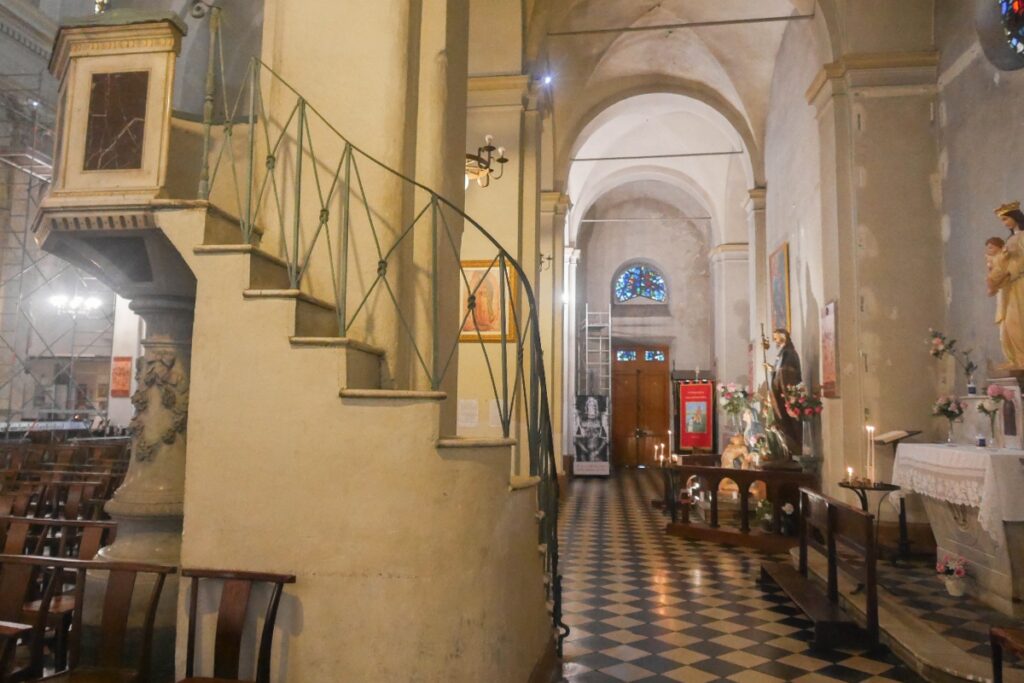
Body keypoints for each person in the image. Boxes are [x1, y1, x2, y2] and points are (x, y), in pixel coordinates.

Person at [992, 203, 1024, 368]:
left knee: (1016, 321)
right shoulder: (1011, 239)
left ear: (1015, 217)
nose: (1004, 223)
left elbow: (1020, 262)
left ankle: (1021, 358)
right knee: (1006, 324)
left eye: (1006, 219)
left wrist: (1009, 271)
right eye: (1002, 221)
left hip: (1019, 284)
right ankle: (1014, 359)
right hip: (1008, 286)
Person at [765, 328, 802, 456]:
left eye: (776, 337)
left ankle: (792, 451)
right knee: (781, 422)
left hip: (786, 394)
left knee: (788, 423)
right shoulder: (782, 352)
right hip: (780, 392)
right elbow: (780, 370)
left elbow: (788, 371)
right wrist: (773, 370)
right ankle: (786, 452)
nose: (775, 340)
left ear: (783, 337)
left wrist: (779, 372)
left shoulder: (789, 353)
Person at [574, 396, 608, 462]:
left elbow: (605, 440)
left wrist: (597, 452)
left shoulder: (599, 424)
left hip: (597, 453)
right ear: (587, 408)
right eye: (590, 406)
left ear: (596, 408)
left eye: (594, 406)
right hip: (585, 454)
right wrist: (586, 451)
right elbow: (577, 440)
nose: (592, 408)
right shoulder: (582, 423)